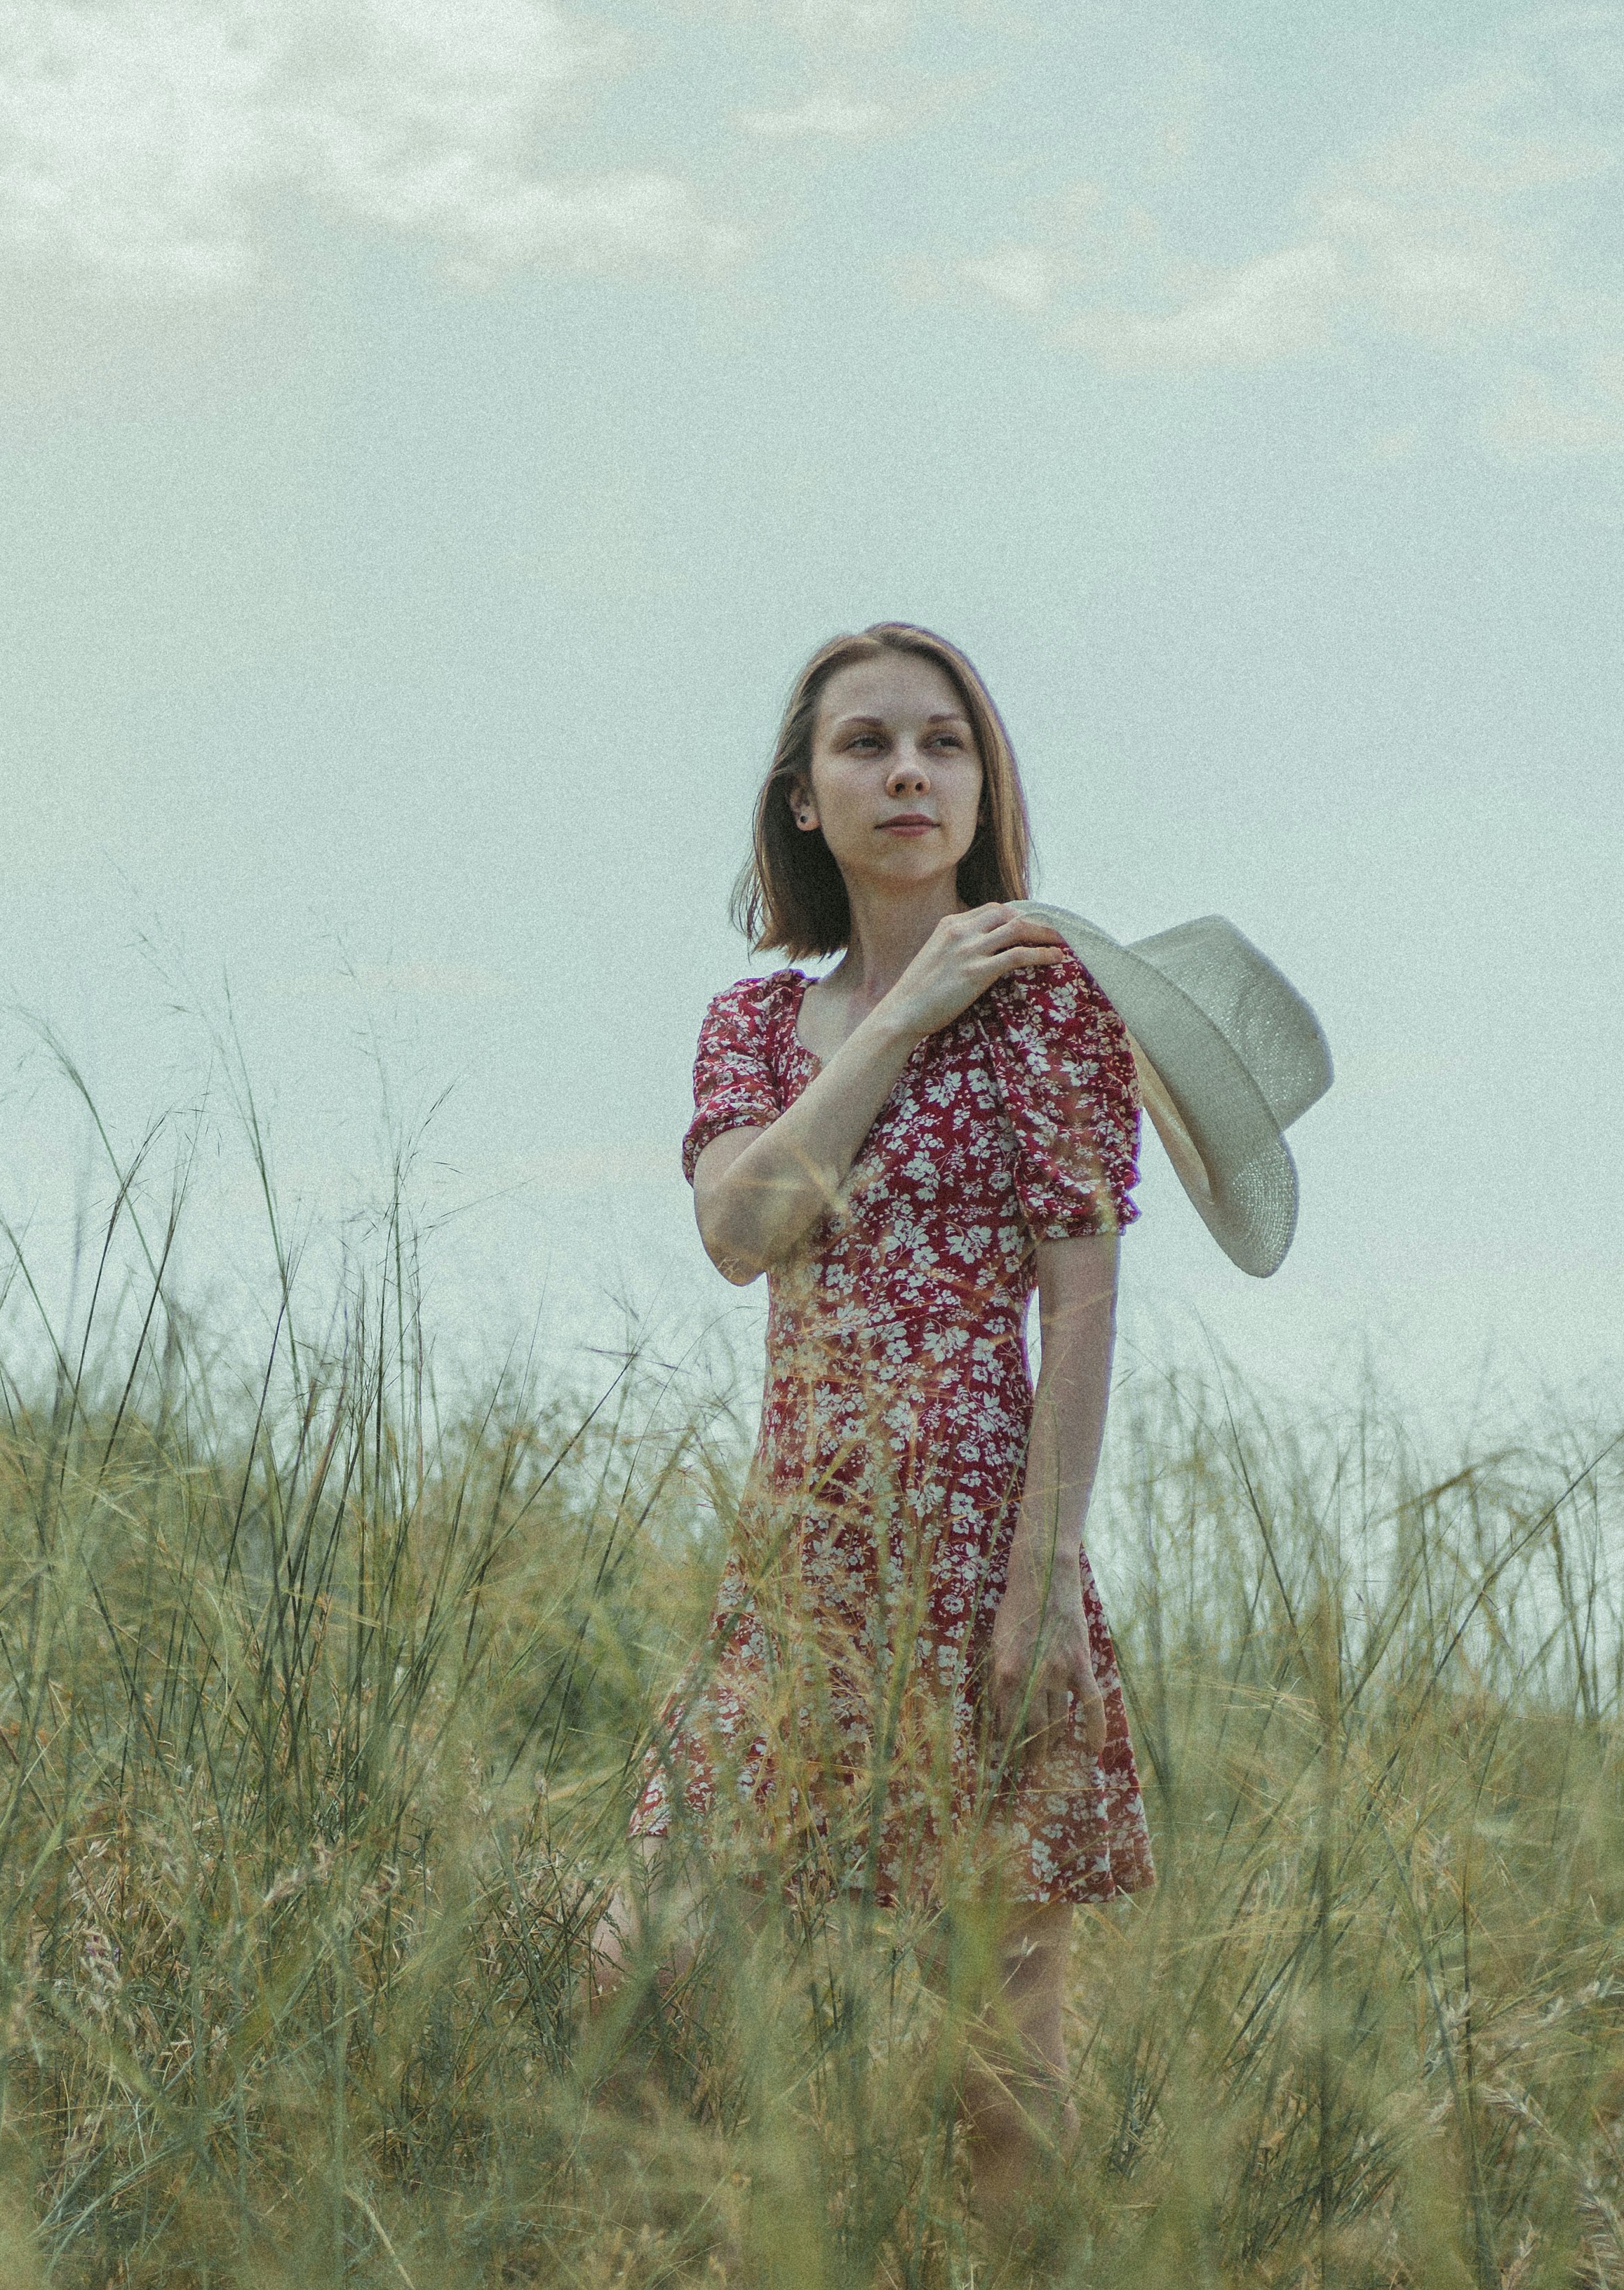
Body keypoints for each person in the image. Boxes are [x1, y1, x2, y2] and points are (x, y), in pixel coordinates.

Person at [590, 621, 1156, 2230]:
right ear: (801, 800)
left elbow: (1082, 1292)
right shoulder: (751, 1029)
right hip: (801, 1570)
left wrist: (1041, 1575)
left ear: (981, 790)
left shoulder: (1053, 1011)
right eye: (865, 744)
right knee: (638, 1963)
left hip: (987, 1559)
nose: (906, 770)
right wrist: (901, 1017)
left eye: (941, 743)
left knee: (1001, 2058)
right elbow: (739, 1228)